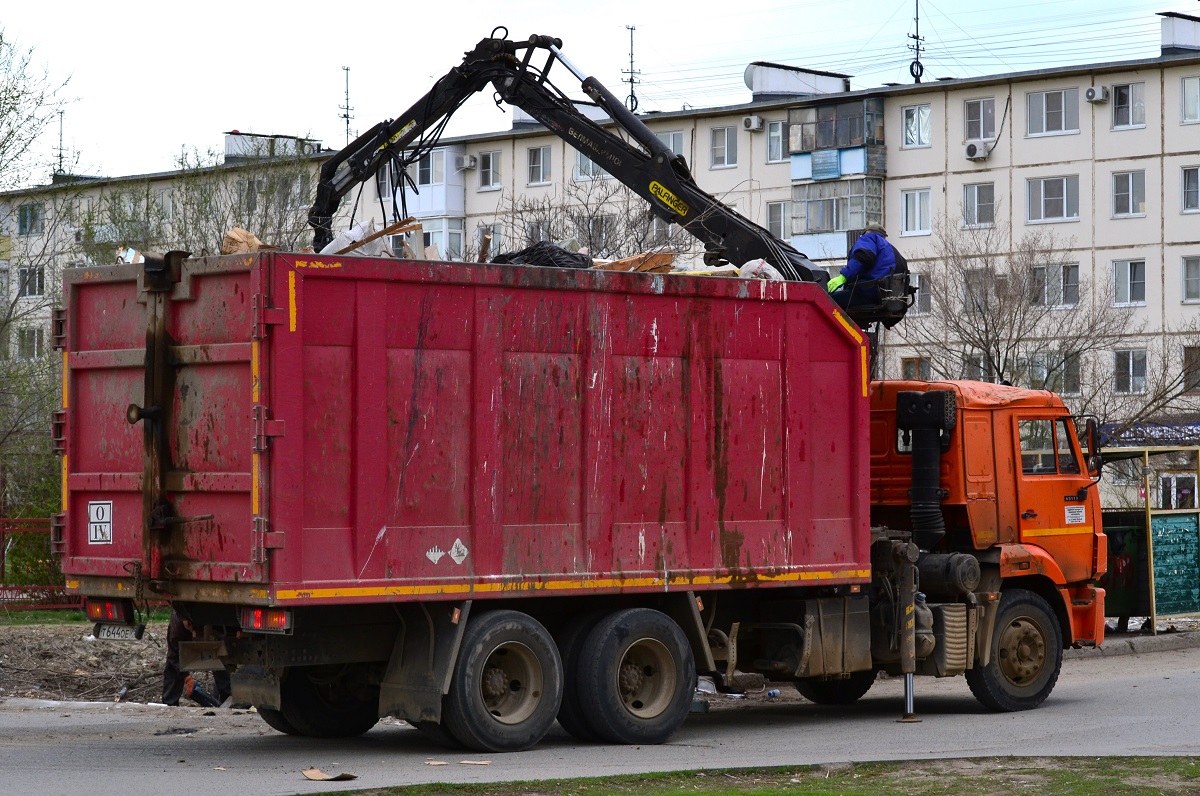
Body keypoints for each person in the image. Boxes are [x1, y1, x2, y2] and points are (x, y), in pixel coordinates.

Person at [826, 224, 905, 311]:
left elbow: (862, 257)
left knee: (825, 301)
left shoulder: (869, 238)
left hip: (868, 292)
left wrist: (843, 277)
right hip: (887, 299)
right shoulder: (893, 251)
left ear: (867, 232)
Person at [163, 610, 232, 707]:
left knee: (221, 661)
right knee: (172, 668)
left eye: (196, 629)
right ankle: (170, 703)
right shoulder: (177, 627)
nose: (194, 634)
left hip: (211, 626)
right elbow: (174, 656)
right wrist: (187, 678)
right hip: (184, 630)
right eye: (191, 627)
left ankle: (225, 700)